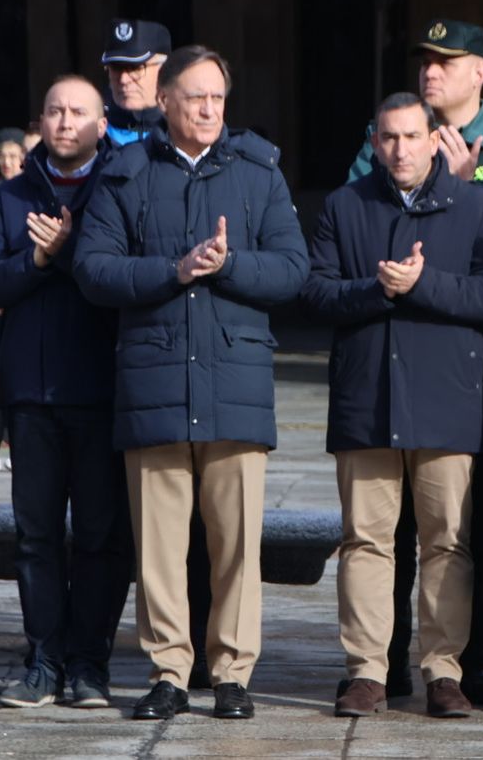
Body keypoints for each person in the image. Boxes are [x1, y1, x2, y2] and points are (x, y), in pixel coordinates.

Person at [75, 45, 308, 722]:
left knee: (236, 546)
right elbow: (93, 269)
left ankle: (231, 672)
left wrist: (227, 265)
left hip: (234, 382)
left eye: (217, 98)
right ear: (165, 102)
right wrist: (173, 271)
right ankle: (169, 672)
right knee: (159, 548)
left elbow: (293, 270)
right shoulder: (126, 171)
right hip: (153, 383)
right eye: (195, 97)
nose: (208, 109)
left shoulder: (259, 171)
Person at [346, 18, 483, 705]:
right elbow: (352, 230)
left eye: (447, 61)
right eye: (425, 60)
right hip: (391, 367)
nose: (432, 70)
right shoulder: (379, 156)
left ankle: (466, 659)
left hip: (477, 364)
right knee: (385, 530)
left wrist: (461, 187)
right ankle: (384, 660)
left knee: (463, 524)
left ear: (479, 71)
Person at [305, 92, 483, 719]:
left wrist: (423, 285)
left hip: (446, 399)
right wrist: (376, 290)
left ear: (433, 138)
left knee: (448, 543)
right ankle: (367, 670)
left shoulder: (473, 205)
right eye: (388, 138)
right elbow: (314, 292)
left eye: (412, 137)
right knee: (366, 541)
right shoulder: (344, 205)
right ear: (376, 140)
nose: (399, 150)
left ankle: (444, 671)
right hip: (367, 400)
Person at [0, 76, 132, 710]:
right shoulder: (12, 193)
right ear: (39, 121)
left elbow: (121, 279)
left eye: (79, 112)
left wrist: (69, 254)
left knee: (101, 534)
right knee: (36, 534)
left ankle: (89, 662)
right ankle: (42, 658)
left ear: (102, 124)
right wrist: (37, 263)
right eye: (55, 111)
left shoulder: (121, 187)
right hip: (33, 391)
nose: (65, 121)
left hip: (102, 388)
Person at [102, 18, 171, 147]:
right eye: (116, 68)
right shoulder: (89, 132)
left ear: (164, 70)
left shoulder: (186, 133)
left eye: (136, 68)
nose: (124, 80)